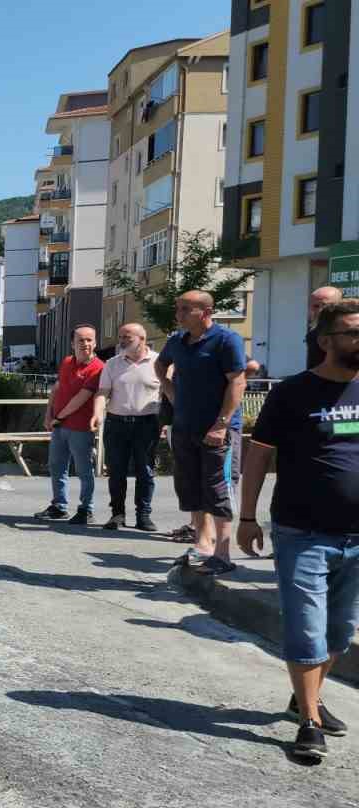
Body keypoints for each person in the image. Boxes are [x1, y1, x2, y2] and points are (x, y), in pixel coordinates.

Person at [237, 299, 359, 761]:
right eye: (352, 333)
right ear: (326, 341)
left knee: (340, 633)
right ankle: (309, 721)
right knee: (307, 631)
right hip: (303, 532)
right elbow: (258, 456)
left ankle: (305, 695)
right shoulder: (292, 393)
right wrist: (246, 517)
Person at [157, 291, 247, 575]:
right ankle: (203, 544)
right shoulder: (177, 342)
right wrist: (171, 391)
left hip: (218, 430)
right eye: (178, 308)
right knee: (191, 487)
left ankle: (223, 553)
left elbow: (238, 383)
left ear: (206, 312)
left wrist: (221, 424)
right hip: (185, 428)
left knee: (218, 488)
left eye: (186, 309)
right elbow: (160, 365)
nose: (179, 314)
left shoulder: (225, 340)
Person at [91, 323, 160, 531]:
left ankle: (143, 515)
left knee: (145, 471)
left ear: (142, 339)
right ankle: (117, 514)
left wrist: (168, 421)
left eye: (127, 338)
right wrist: (97, 413)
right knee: (117, 471)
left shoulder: (159, 362)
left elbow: (168, 394)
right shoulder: (112, 364)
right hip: (117, 423)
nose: (121, 341)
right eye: (120, 337)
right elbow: (103, 392)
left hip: (147, 424)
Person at [34, 325, 103, 525]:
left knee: (83, 470)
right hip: (59, 426)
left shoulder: (99, 367)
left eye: (89, 340)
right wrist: (49, 414)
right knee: (56, 467)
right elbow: (57, 389)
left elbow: (82, 398)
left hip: (80, 428)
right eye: (81, 340)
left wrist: (59, 417)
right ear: (72, 343)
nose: (85, 344)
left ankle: (86, 509)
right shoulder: (66, 362)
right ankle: (59, 506)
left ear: (95, 342)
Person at [306, 285, 343, 372]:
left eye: (325, 306)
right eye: (316, 306)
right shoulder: (313, 333)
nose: (320, 311)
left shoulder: (350, 332)